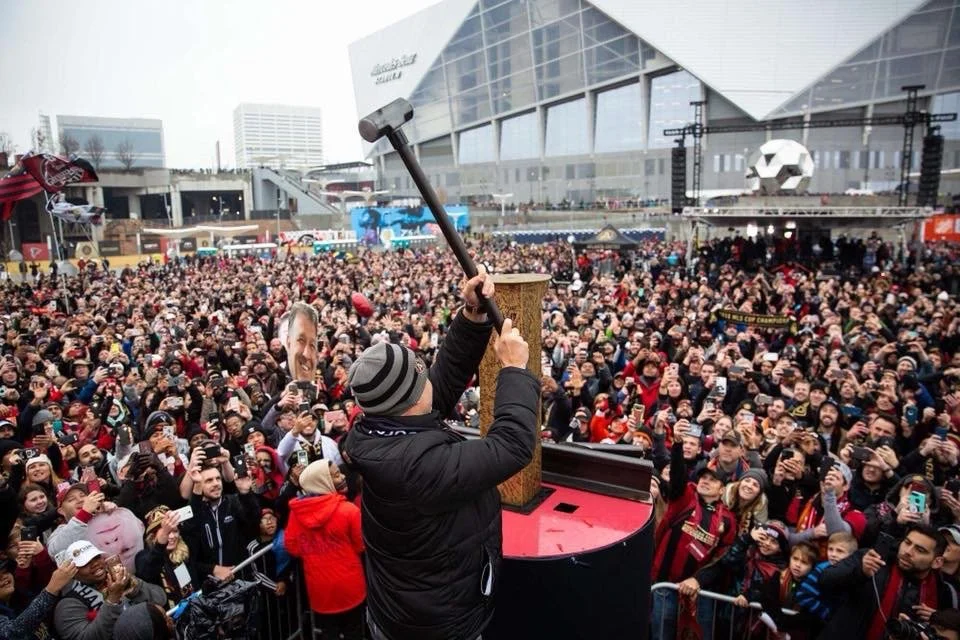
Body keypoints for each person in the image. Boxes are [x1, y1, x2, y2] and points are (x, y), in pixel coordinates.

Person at [342, 268, 539, 640]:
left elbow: (439, 388)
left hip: (406, 610)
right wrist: (514, 369)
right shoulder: (416, 467)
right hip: (438, 626)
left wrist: (472, 315)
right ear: (412, 398)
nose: (428, 380)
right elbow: (512, 446)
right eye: (421, 378)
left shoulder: (379, 431)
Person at [817, 524, 956, 640]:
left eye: (920, 550)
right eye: (907, 543)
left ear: (937, 562)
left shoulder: (943, 591)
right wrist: (860, 572)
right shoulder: (872, 559)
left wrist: (937, 620)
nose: (908, 551)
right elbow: (825, 580)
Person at [285, 460, 364, 640]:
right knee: (354, 633)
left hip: (319, 589)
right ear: (322, 482)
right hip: (350, 586)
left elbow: (292, 547)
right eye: (335, 475)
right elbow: (361, 545)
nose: (343, 477)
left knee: (328, 634)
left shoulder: (296, 514)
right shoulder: (348, 510)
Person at [53, 540, 166, 640]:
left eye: (96, 557)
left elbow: (161, 599)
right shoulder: (68, 604)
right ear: (74, 571)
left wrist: (134, 588)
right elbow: (84, 637)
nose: (95, 564)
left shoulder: (117, 577)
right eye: (86, 563)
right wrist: (113, 599)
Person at [0, 559, 77, 640]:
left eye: (5, 571)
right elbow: (11, 633)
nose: (4, 577)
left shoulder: (21, 597)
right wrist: (51, 590)